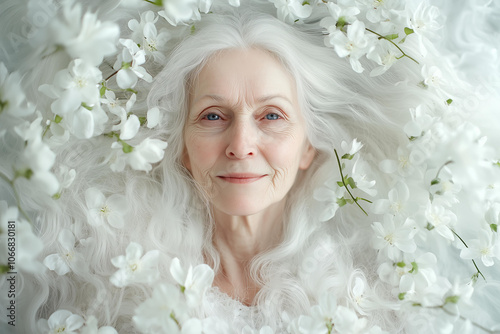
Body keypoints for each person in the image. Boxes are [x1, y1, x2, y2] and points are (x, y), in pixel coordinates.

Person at [14, 4, 487, 334]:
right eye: (213, 116)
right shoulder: (111, 296)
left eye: (272, 116)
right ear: (181, 145)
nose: (241, 145)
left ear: (309, 148)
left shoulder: (377, 303)